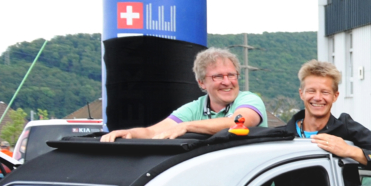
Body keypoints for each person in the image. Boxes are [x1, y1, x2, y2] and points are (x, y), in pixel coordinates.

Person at [101, 47, 266, 141]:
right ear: (201, 82)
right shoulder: (193, 108)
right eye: (217, 76)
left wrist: (186, 126)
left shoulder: (249, 100)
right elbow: (153, 132)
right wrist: (126, 133)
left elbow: (237, 123)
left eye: (231, 75)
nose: (227, 82)